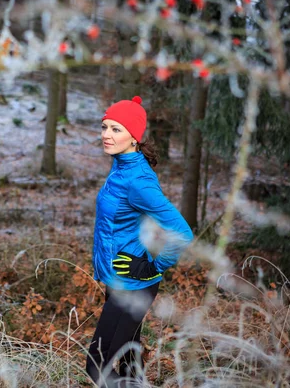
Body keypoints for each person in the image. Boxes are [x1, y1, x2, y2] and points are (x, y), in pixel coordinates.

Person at [86, 96, 194, 387]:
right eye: (105, 127)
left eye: (116, 129)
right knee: (130, 361)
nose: (107, 135)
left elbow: (182, 233)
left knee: (97, 366)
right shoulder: (121, 166)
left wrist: (153, 266)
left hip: (133, 284)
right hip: (118, 277)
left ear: (134, 137)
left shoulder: (137, 180)